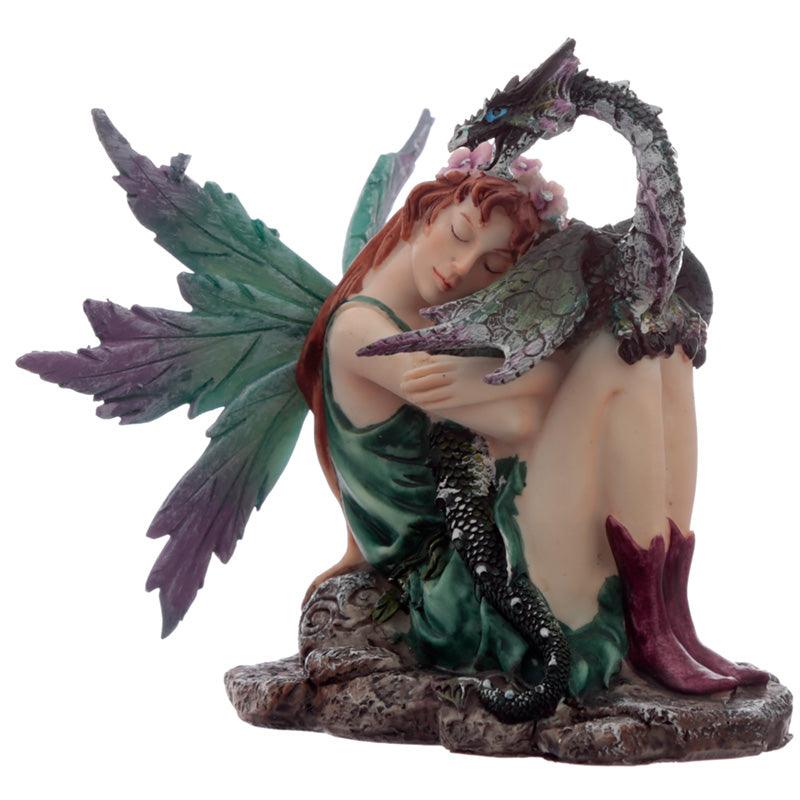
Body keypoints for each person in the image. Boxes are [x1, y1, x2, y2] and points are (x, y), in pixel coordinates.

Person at [296, 147, 769, 698]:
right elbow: (518, 417)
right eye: (459, 233)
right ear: (426, 210)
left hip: (497, 530)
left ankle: (669, 617)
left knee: (663, 341)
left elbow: (518, 409)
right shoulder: (359, 330)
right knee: (623, 355)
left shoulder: (447, 320)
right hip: (458, 586)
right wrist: (540, 375)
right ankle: (652, 633)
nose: (460, 269)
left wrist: (524, 380)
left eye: (493, 267)